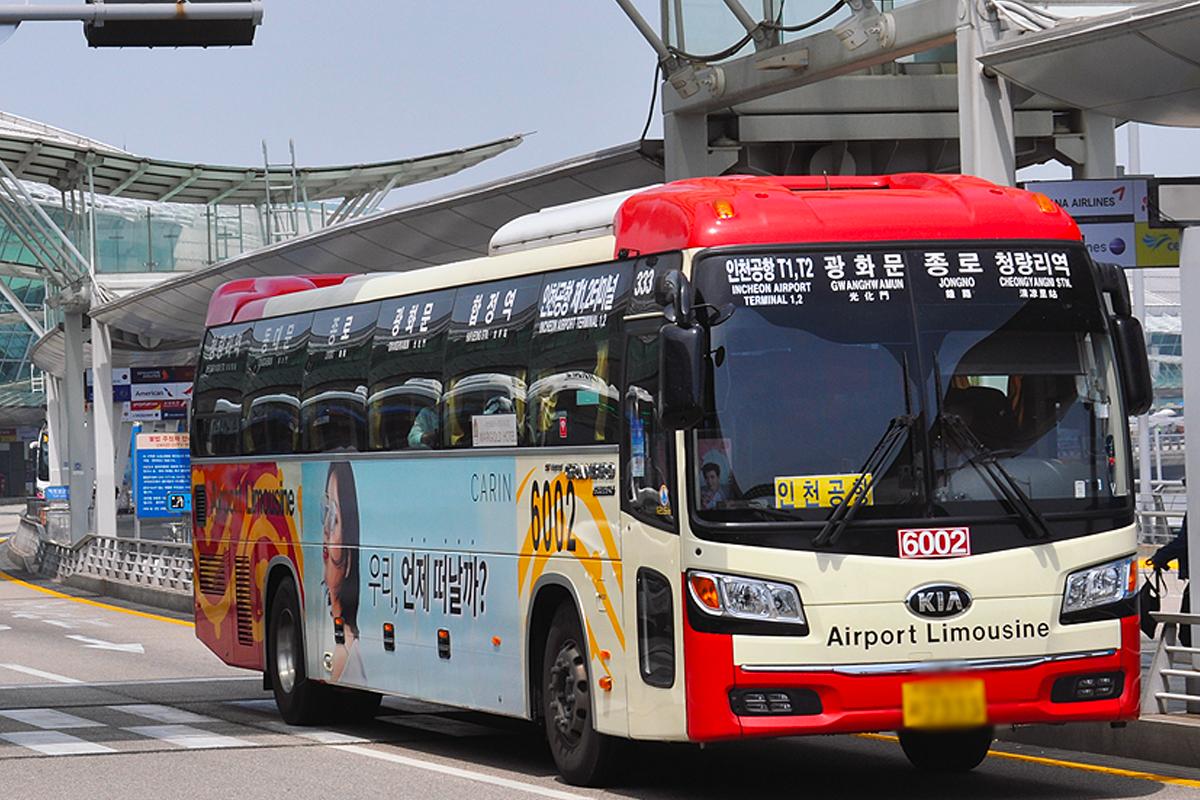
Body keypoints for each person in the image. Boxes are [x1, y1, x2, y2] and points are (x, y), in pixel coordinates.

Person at [322, 461, 366, 683]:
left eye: (335, 519)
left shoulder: (349, 655)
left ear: (349, 556)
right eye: (326, 513)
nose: (325, 532)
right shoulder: (334, 642)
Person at [1149, 514, 1191, 647]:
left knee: (1187, 632)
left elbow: (1185, 541)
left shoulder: (1195, 506)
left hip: (1197, 580)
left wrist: (1161, 556)